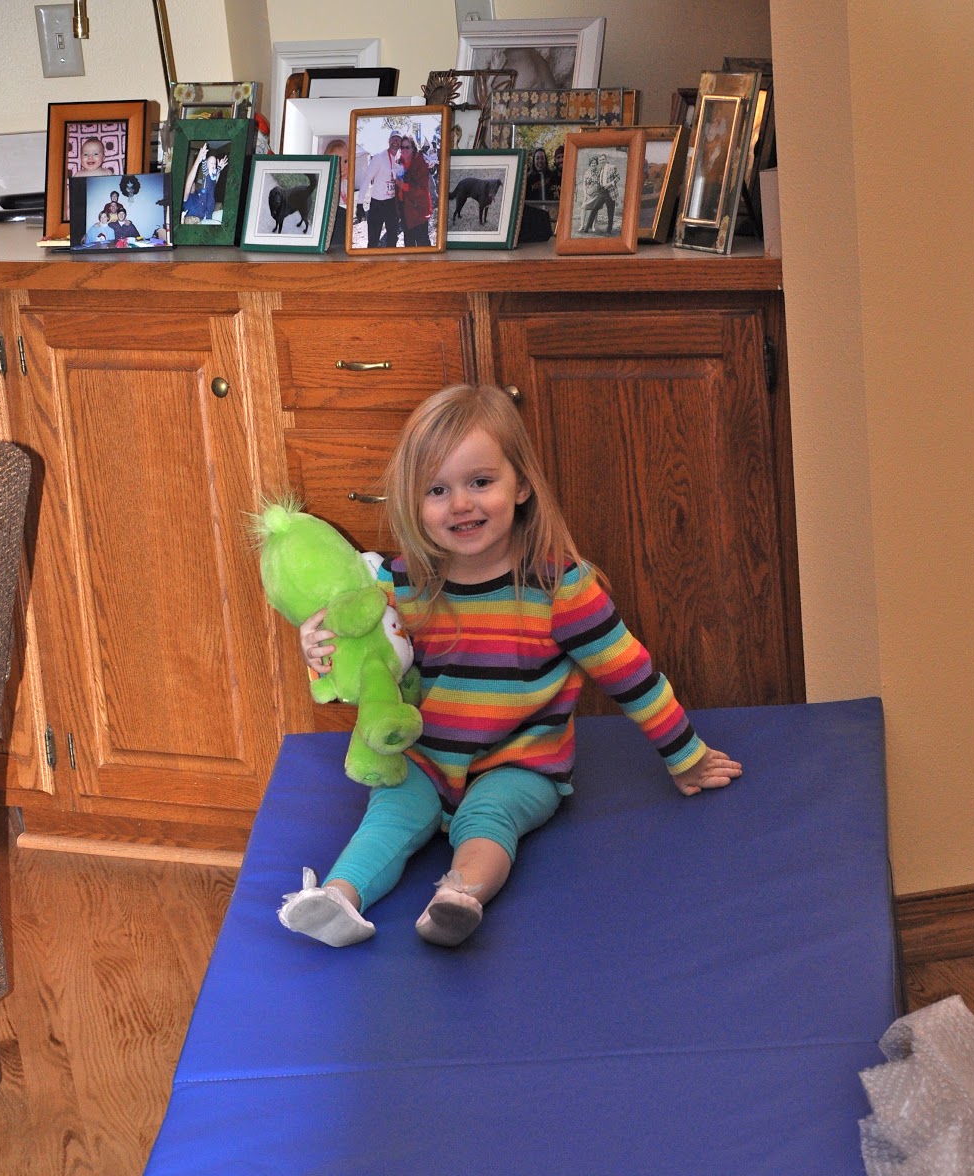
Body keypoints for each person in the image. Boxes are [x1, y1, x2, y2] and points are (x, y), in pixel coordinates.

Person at [278, 384, 741, 950]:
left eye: (480, 482)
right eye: (437, 490)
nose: (460, 504)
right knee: (388, 817)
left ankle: (458, 898)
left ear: (520, 484)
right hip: (425, 758)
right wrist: (318, 651)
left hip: (521, 762)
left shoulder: (558, 587)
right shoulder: (395, 585)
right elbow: (366, 670)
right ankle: (336, 898)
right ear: (412, 502)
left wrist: (686, 756)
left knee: (490, 817)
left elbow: (631, 675)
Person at [360, 131, 403, 247]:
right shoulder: (379, 157)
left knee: (392, 241)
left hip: (391, 205)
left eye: (398, 140)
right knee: (373, 242)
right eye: (393, 139)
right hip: (377, 205)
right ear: (389, 141)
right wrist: (359, 203)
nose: (395, 142)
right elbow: (367, 179)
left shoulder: (399, 161)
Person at [395, 136, 433, 247]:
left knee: (422, 243)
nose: (404, 150)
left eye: (407, 147)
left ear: (413, 148)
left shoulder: (420, 161)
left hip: (419, 210)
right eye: (402, 147)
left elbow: (422, 189)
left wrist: (403, 186)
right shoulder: (399, 163)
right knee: (409, 243)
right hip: (404, 209)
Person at [182, 142, 228, 222]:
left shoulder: (199, 191)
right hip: (198, 221)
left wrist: (219, 169)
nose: (192, 183)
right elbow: (187, 186)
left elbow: (212, 184)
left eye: (193, 183)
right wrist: (198, 160)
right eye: (191, 183)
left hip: (208, 216)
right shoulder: (186, 199)